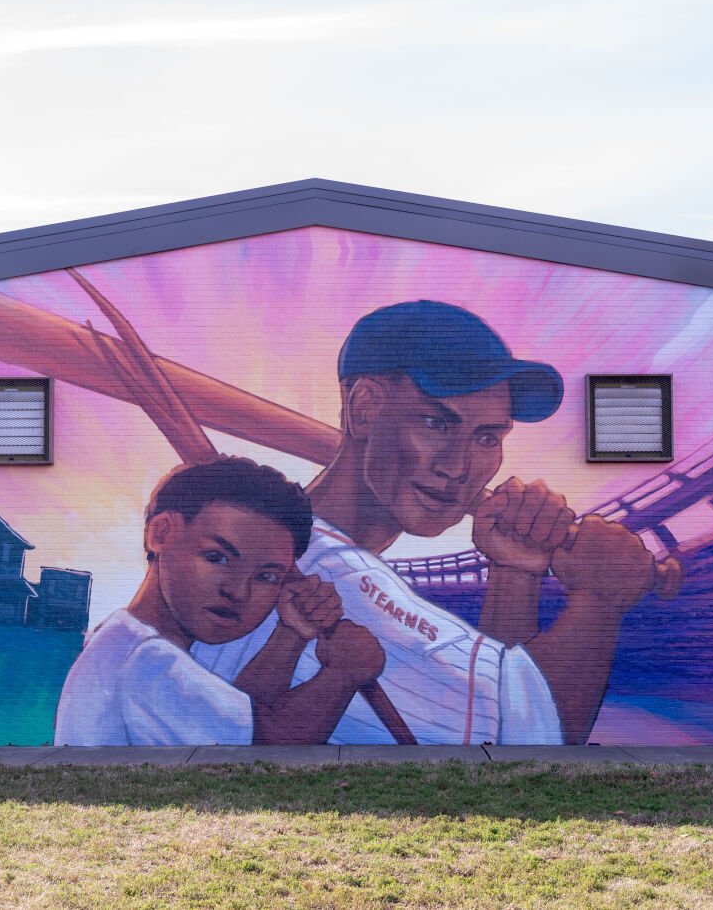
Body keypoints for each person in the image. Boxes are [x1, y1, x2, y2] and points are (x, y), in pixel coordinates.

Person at [193, 301, 659, 745]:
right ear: (364, 408)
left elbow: (495, 703)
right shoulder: (324, 572)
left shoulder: (311, 554)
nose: (458, 467)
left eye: (485, 438)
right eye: (437, 423)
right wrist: (599, 597)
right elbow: (528, 738)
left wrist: (514, 571)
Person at [55, 457, 385, 745]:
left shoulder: (124, 642)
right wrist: (344, 673)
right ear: (161, 533)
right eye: (217, 557)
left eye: (266, 576)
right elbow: (268, 747)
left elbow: (245, 712)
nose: (238, 592)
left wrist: (292, 634)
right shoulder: (146, 661)